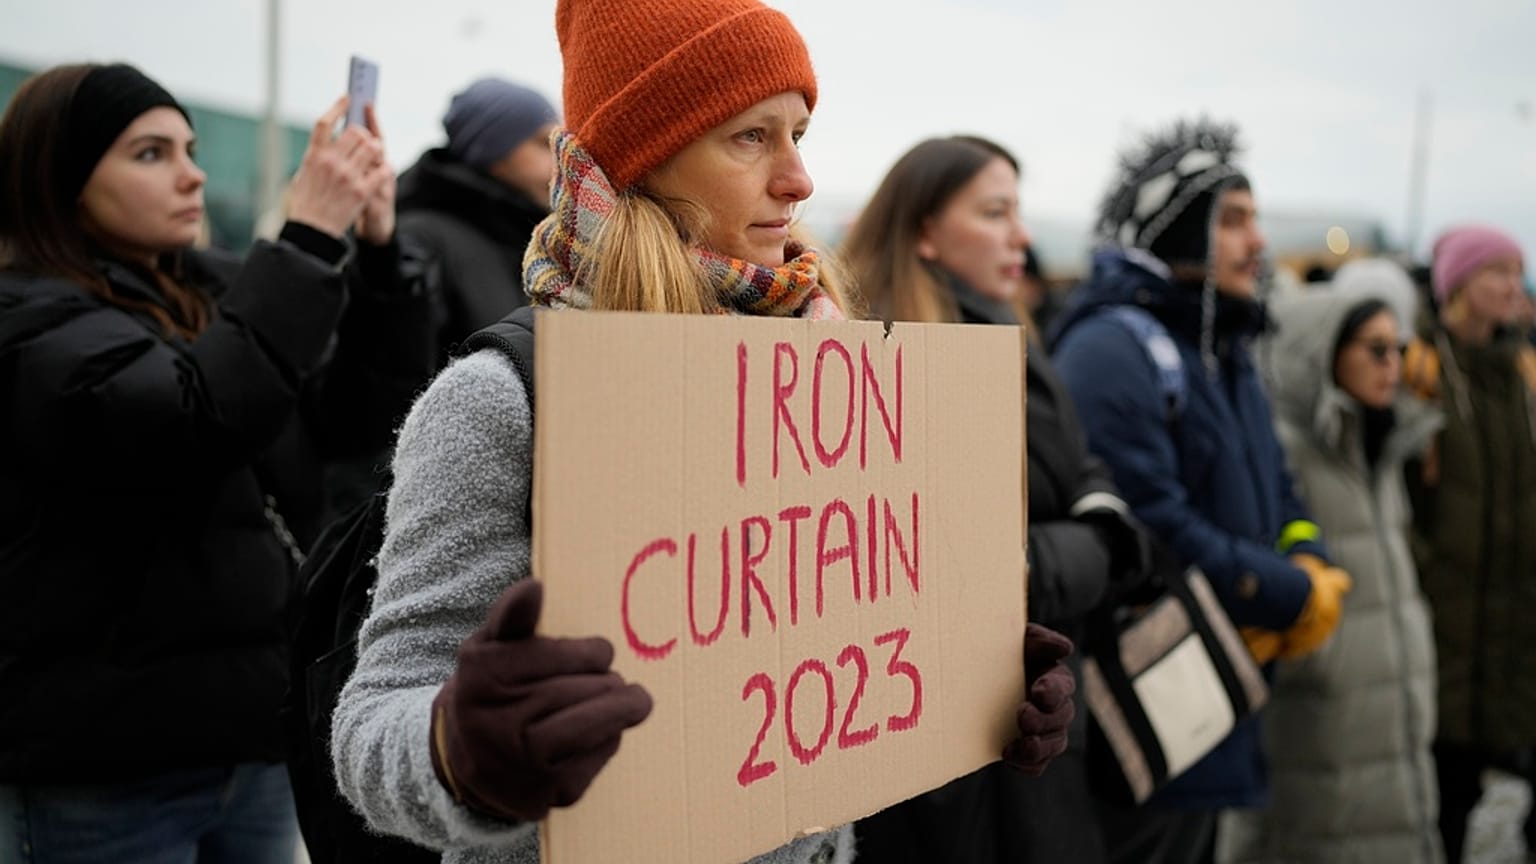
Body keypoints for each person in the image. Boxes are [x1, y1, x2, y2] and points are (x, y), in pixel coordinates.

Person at [329, 1, 1078, 862]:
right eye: (751, 137)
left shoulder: (824, 365)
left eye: (799, 132)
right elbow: (369, 728)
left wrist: (968, 670)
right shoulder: (505, 401)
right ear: (648, 160)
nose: (798, 178)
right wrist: (462, 750)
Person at [0, 63, 426, 862]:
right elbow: (190, 419)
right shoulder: (28, 316)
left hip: (250, 740)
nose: (192, 172)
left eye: (190, 148)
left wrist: (376, 252)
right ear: (60, 177)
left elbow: (358, 418)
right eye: (150, 153)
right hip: (105, 770)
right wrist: (303, 238)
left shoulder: (219, 291)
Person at [1048, 119, 1351, 863]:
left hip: (1217, 688)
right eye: (1234, 221)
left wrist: (1306, 554)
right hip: (1147, 698)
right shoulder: (1111, 348)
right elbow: (1148, 524)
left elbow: (1277, 481)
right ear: (1179, 229)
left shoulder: (1226, 342)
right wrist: (1283, 593)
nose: (1258, 244)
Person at [843, 135, 1148, 863]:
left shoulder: (1010, 331)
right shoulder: (889, 356)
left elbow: (1082, 466)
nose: (1022, 235)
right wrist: (1100, 543)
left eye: (1019, 210)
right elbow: (941, 558)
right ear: (921, 230)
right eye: (994, 212)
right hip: (951, 745)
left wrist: (1096, 513)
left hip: (1037, 708)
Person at [1218, 261, 1443, 863]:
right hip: (1317, 707)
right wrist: (1320, 658)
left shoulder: (1387, 440)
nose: (1391, 363)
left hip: (1389, 696)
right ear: (1323, 355)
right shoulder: (1285, 451)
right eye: (1373, 349)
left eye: (1398, 348)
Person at [1401, 225, 1534, 863]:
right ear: (1458, 284)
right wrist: (1428, 573)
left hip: (1515, 617)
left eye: (1518, 271)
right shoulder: (1423, 370)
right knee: (1449, 791)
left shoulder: (1522, 372)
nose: (1515, 285)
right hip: (1448, 618)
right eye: (1498, 272)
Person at [395, 77, 559, 363]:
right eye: (543, 144)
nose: (559, 163)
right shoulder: (420, 239)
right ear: (492, 149)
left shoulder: (534, 241)